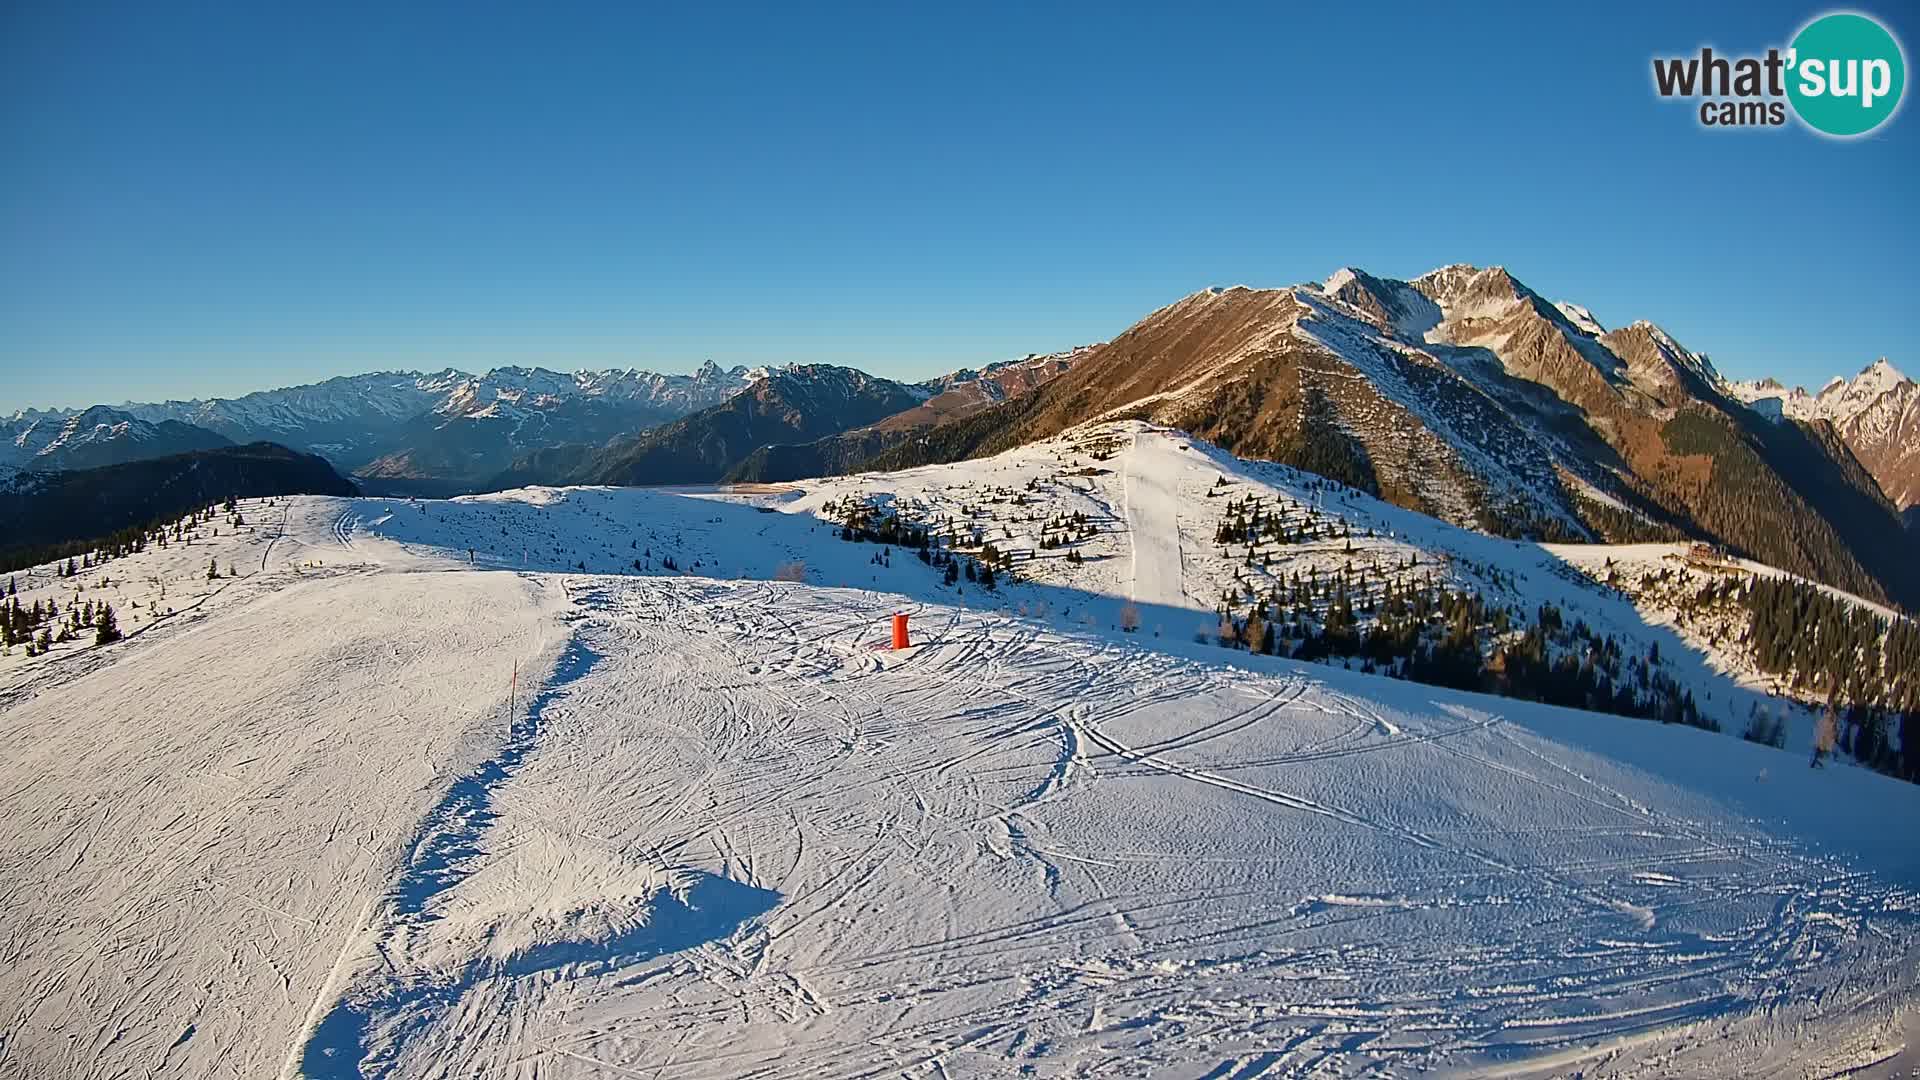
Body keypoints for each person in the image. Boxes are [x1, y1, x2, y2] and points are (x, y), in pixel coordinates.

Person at [1811, 700, 1838, 768]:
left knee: (1822, 751)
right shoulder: (1826, 716)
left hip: (1826, 739)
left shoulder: (1832, 718)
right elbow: (1821, 728)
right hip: (1822, 738)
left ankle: (1818, 762)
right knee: (1819, 750)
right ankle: (1816, 762)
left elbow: (1832, 730)